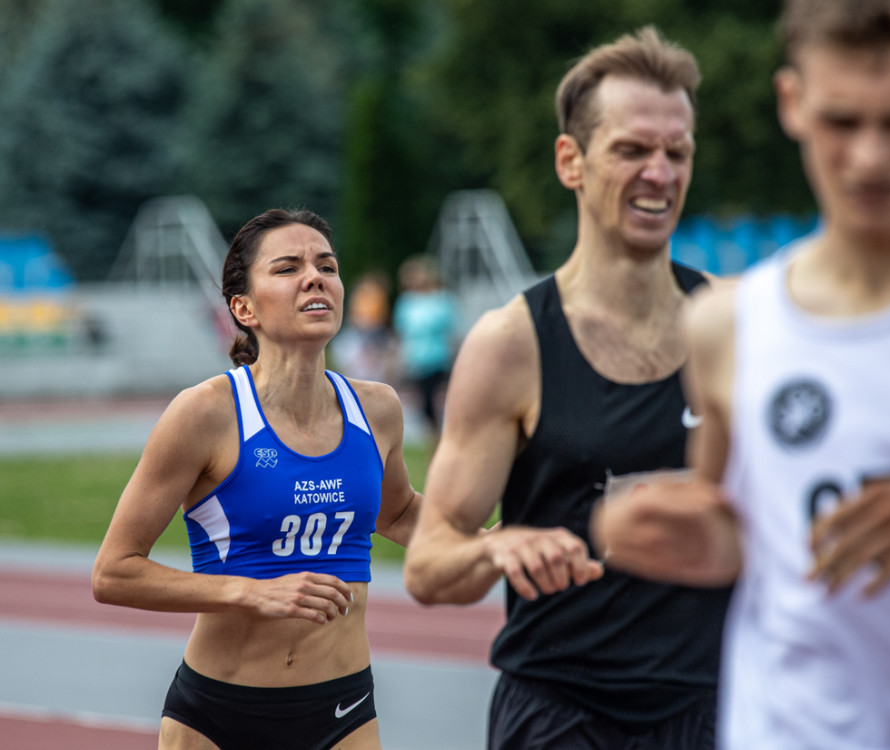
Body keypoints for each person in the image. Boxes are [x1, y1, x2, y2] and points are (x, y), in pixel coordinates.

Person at [592, 2, 890, 748]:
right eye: (843, 122)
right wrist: (651, 524)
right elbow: (741, 538)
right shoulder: (728, 324)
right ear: (793, 103)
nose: (871, 158)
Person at [404, 27, 732, 750]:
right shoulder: (511, 344)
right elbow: (429, 567)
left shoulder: (734, 325)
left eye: (677, 152)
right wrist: (498, 548)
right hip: (561, 715)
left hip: (712, 710)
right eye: (632, 149)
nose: (660, 172)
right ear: (571, 161)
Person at [92, 208, 423, 750]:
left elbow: (400, 512)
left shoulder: (377, 408)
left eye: (327, 265)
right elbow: (114, 573)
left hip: (344, 710)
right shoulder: (204, 414)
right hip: (221, 714)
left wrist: (486, 542)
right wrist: (252, 592)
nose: (316, 277)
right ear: (243, 308)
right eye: (289, 267)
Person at [392, 254, 459, 441]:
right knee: (425, 405)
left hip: (439, 358)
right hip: (417, 359)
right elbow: (402, 332)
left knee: (440, 401)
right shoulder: (406, 302)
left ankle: (443, 437)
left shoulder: (442, 299)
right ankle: (435, 437)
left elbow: (450, 329)